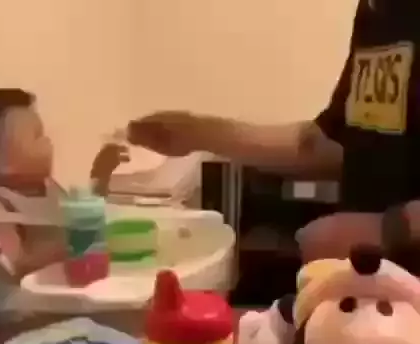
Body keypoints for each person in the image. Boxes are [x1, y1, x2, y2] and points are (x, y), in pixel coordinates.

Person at [115, 0, 420, 265]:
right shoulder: (375, 12)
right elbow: (327, 145)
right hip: (371, 282)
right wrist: (198, 133)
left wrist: (388, 230)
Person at [0, 88, 125, 279]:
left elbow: (83, 213)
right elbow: (11, 265)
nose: (48, 141)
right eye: (37, 136)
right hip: (31, 294)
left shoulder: (48, 187)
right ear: (2, 163)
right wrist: (65, 247)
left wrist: (102, 175)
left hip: (72, 279)